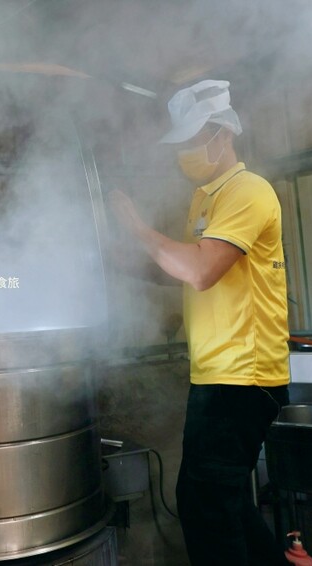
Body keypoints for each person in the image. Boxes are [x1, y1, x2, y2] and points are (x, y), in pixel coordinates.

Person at [109, 79, 297, 565]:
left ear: (222, 133)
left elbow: (200, 270)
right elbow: (188, 267)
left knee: (207, 508)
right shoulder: (206, 199)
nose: (185, 153)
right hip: (217, 376)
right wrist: (126, 262)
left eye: (193, 140)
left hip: (243, 378)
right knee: (215, 500)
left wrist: (138, 229)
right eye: (182, 143)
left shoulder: (247, 191)